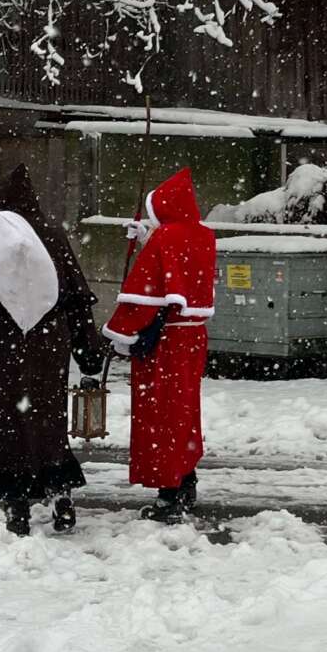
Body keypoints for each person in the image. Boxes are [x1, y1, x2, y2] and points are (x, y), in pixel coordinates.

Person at [0, 166, 107, 536]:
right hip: (50, 343)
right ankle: (60, 495)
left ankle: (17, 506)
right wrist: (89, 351)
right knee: (47, 419)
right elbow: (76, 296)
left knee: (7, 421)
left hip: (8, 343)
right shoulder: (53, 233)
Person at [103, 165, 218, 523]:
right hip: (192, 337)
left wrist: (119, 332)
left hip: (166, 342)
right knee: (184, 411)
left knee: (162, 414)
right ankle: (185, 478)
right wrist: (148, 239)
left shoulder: (166, 237)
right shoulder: (203, 234)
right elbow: (178, 273)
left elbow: (148, 293)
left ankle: (170, 493)